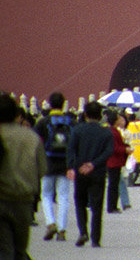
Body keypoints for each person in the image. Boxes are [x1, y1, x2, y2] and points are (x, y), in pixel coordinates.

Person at [0, 93, 46, 259]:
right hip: (22, 200)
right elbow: (41, 169)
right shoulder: (31, 137)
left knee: (4, 248)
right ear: (16, 115)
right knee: (20, 249)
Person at [67, 101, 113, 248]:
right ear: (100, 116)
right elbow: (108, 151)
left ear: (85, 114)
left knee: (80, 202)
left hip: (80, 171)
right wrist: (93, 164)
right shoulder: (106, 132)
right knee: (97, 205)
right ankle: (95, 238)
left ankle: (83, 232)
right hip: (97, 171)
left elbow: (71, 149)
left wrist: (72, 166)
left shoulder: (77, 130)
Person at [34, 91, 72, 242]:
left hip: (47, 163)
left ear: (50, 104)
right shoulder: (69, 121)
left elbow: (36, 142)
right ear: (63, 104)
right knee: (63, 197)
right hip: (65, 164)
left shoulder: (43, 122)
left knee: (46, 195)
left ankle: (50, 223)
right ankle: (62, 230)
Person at [105, 111, 132, 213]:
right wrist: (125, 149)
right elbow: (115, 147)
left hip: (115, 161)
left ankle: (113, 205)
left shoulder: (114, 131)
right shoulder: (113, 132)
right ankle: (112, 206)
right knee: (113, 185)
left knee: (114, 184)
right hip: (114, 161)